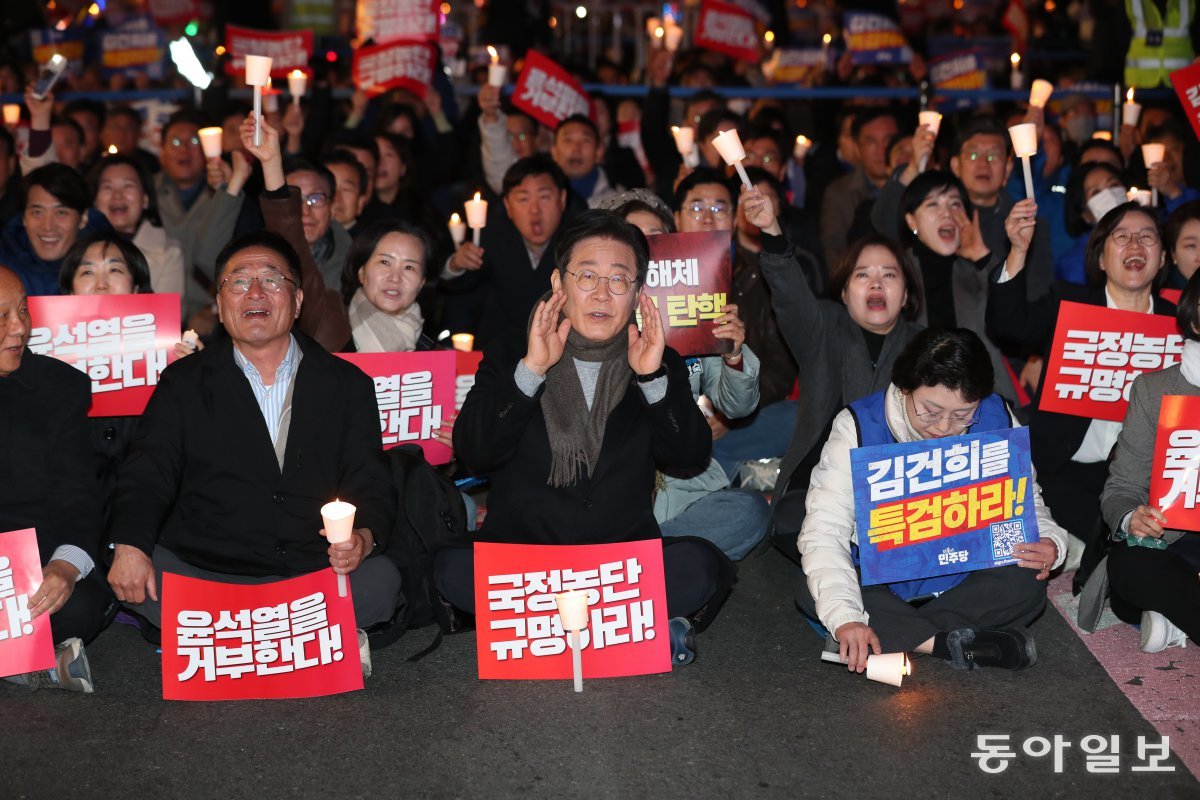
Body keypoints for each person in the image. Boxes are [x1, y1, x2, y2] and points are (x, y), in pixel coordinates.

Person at [443, 210, 736, 662]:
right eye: (587, 276)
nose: (602, 293)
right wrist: (531, 372)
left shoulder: (657, 357)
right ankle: (620, 626)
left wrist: (652, 379)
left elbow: (689, 454)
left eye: (619, 280)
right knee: (448, 567)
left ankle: (536, 626)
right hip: (526, 560)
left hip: (616, 564)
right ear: (560, 284)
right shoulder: (511, 352)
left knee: (700, 565)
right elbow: (475, 452)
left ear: (638, 291)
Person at [104, 228, 400, 665]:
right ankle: (307, 636)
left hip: (311, 569)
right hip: (210, 569)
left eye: (272, 280)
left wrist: (363, 537)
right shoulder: (183, 384)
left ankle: (226, 637)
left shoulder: (347, 384)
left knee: (381, 580)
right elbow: (149, 471)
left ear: (297, 301)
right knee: (129, 561)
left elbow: (369, 477)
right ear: (220, 306)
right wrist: (130, 544)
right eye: (238, 281)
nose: (255, 292)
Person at [798, 328, 1067, 672]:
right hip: (881, 581)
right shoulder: (859, 425)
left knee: (1027, 581)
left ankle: (899, 634)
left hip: (961, 576)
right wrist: (847, 616)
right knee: (812, 585)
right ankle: (946, 645)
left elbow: (1028, 501)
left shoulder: (996, 415)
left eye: (961, 415)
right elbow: (824, 531)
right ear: (905, 387)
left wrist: (1050, 541)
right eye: (930, 410)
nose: (943, 427)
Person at [987, 201, 1176, 587]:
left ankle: (1092, 553)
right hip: (1065, 468)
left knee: (1148, 523)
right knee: (1111, 526)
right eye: (1121, 237)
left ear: (1162, 258)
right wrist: (1018, 250)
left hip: (1145, 475)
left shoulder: (1181, 322)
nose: (1134, 245)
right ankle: (1096, 552)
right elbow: (1008, 325)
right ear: (1102, 258)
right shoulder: (1068, 307)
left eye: (1146, 237)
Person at [745, 187, 924, 553]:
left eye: (889, 276)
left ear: (905, 295)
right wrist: (772, 233)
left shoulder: (926, 348)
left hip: (897, 494)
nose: (876, 283)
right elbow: (792, 299)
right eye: (862, 276)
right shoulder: (824, 327)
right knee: (794, 524)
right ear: (844, 293)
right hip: (816, 486)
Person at [606, 191, 770, 561]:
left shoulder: (693, 316)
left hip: (679, 489)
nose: (647, 249)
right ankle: (665, 564)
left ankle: (637, 561)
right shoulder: (596, 314)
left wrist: (731, 354)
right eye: (635, 237)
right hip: (607, 489)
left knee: (750, 512)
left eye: (657, 239)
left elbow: (738, 406)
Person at [0, 265, 115, 692]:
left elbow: (79, 493)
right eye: (2, 317)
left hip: (38, 560)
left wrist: (65, 566)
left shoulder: (58, 387)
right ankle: (39, 664)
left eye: (23, 311)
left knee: (80, 606)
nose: (18, 329)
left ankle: (22, 656)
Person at [1099, 270, 1200, 651]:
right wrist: (1131, 517)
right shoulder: (1154, 389)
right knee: (1130, 567)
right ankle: (1176, 607)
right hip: (1171, 544)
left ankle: (1174, 615)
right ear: (1193, 318)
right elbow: (1121, 488)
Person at [899, 171, 1023, 405]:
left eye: (955, 204)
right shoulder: (896, 271)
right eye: (933, 204)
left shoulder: (978, 269)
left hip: (982, 402)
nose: (947, 213)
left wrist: (980, 255)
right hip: (915, 404)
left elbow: (1012, 312)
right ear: (911, 221)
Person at [442, 154, 578, 346]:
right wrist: (457, 264)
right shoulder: (492, 236)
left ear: (562, 199)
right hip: (498, 350)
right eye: (523, 199)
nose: (534, 210)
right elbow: (465, 284)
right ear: (507, 205)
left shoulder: (580, 242)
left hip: (561, 351)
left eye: (544, 197)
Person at [89, 154, 186, 305]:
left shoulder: (170, 253)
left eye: (128, 186)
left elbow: (166, 317)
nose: (117, 195)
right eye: (108, 187)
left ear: (145, 199)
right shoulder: (77, 249)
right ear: (95, 201)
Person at [0, 163, 109, 296]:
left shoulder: (112, 264)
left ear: (83, 218)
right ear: (24, 218)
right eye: (37, 212)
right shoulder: (4, 265)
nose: (48, 226)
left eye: (61, 212)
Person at [341, 219, 439, 352]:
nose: (395, 278)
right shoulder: (331, 332)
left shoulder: (432, 353)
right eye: (385, 262)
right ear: (362, 272)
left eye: (409, 267)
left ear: (422, 283)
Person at [283, 156, 351, 292]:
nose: (305, 211)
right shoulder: (257, 258)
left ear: (331, 207)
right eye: (294, 199)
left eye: (316, 199)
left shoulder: (353, 264)